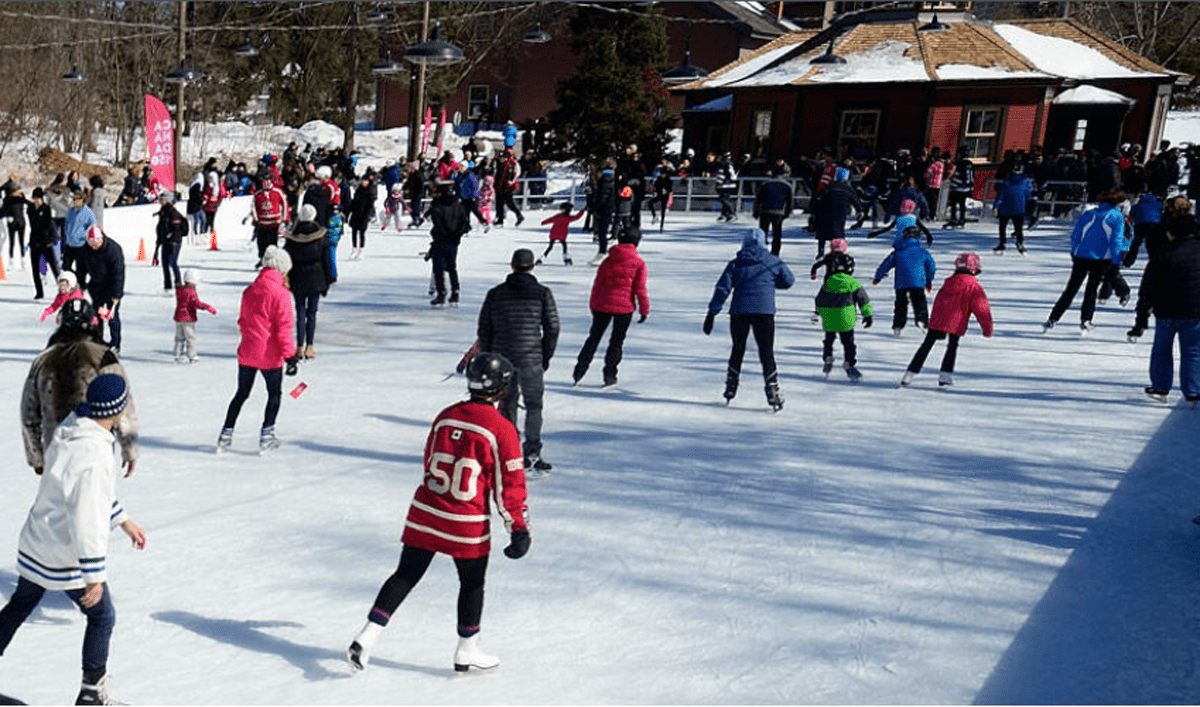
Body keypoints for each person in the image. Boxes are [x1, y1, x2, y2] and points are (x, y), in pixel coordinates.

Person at [346, 352, 530, 674]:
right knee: (472, 584)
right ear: (502, 389)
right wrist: (518, 528)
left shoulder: (446, 415)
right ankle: (466, 650)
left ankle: (367, 636)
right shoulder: (502, 429)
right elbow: (509, 486)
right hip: (465, 522)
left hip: (426, 512)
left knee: (405, 575)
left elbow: (430, 458)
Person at [0, 374, 147, 706]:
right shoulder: (94, 456)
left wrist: (123, 521)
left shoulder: (72, 428)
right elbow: (87, 516)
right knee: (102, 616)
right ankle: (92, 694)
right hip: (64, 552)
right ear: (117, 411)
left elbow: (83, 494)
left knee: (21, 604)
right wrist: (93, 576)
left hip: (38, 539)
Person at [21, 299, 139, 477]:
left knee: (57, 503)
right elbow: (123, 406)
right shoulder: (104, 357)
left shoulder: (43, 360)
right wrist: (129, 448)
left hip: (56, 450)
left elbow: (29, 415)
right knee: (95, 501)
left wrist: (36, 456)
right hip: (96, 448)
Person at [477, 248, 559, 474]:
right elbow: (552, 328)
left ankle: (508, 454)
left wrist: (489, 356)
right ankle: (532, 452)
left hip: (502, 359)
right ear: (532, 266)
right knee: (534, 406)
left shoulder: (495, 293)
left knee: (507, 406)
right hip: (531, 358)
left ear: (512, 266)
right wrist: (545, 355)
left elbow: (484, 328)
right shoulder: (542, 293)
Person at [217, 245, 297, 454]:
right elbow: (284, 328)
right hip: (270, 355)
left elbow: (243, 321)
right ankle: (267, 435)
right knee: (274, 394)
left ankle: (226, 434)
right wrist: (290, 356)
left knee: (241, 393)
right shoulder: (281, 294)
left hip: (248, 351)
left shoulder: (250, 290)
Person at [703, 229, 794, 409]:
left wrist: (712, 313)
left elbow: (723, 288)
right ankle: (772, 387)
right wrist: (771, 283)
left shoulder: (736, 264)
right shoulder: (773, 262)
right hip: (764, 311)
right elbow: (788, 281)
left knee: (738, 348)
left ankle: (731, 384)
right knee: (766, 351)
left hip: (739, 312)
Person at [1126, 197, 1200, 404]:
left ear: (1171, 232)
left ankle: (1160, 388)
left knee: (1161, 350)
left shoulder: (1162, 253)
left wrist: (1142, 316)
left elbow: (1148, 287)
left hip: (1166, 310)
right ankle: (1193, 391)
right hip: (1195, 311)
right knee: (1193, 352)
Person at [1043, 189, 1130, 335]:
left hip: (1081, 257)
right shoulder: (1117, 217)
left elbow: (1076, 235)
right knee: (1091, 290)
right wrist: (1116, 261)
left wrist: (1075, 251)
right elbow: (1116, 242)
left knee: (1071, 289)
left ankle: (1053, 318)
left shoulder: (1089, 214)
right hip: (1100, 259)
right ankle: (1086, 320)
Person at [901, 252, 993, 388]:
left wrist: (935, 321)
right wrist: (987, 329)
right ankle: (945, 375)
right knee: (952, 346)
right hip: (956, 321)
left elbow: (939, 301)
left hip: (938, 320)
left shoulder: (948, 283)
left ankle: (909, 373)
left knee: (926, 345)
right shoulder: (974, 287)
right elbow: (982, 309)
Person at [572, 227, 650, 387]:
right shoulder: (638, 263)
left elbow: (597, 284)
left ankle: (579, 371)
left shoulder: (608, 260)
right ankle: (610, 375)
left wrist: (593, 304)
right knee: (616, 343)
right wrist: (644, 309)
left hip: (602, 305)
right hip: (624, 308)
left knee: (593, 339)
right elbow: (640, 289)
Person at [282, 204, 332, 358]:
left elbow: (285, 259)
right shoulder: (321, 235)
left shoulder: (292, 237)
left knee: (300, 312)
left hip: (297, 277)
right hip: (316, 277)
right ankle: (310, 346)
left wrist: (285, 277)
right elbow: (327, 260)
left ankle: (299, 346)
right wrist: (328, 280)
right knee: (312, 313)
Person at [815, 251, 873, 382]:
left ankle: (828, 357)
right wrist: (867, 315)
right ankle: (849, 363)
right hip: (845, 318)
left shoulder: (828, 282)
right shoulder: (852, 283)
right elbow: (863, 299)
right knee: (848, 342)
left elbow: (820, 299)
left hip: (829, 318)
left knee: (829, 339)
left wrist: (819, 311)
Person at [873, 227, 936, 336]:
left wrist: (878, 277)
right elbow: (931, 267)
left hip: (901, 283)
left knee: (900, 304)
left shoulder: (898, 251)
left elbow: (886, 264)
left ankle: (898, 325)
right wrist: (929, 280)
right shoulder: (922, 252)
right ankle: (922, 320)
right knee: (920, 302)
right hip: (917, 283)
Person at [81, 226, 124, 353]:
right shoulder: (85, 250)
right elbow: (81, 269)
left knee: (112, 317)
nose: (94, 246)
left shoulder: (113, 249)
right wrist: (80, 285)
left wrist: (116, 295)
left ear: (101, 239)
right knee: (96, 317)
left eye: (96, 242)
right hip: (96, 287)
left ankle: (115, 344)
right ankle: (98, 341)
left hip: (111, 288)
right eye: (91, 242)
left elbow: (118, 274)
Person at [426, 182, 470, 307]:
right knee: (452, 268)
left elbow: (438, 225)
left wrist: (443, 235)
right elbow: (464, 224)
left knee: (439, 269)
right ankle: (455, 292)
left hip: (441, 241)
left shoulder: (437, 207)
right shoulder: (459, 207)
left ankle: (441, 293)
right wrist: (457, 235)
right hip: (453, 242)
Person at [811, 167, 861, 258]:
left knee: (823, 232)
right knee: (837, 233)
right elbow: (856, 201)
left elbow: (820, 200)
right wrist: (859, 211)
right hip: (840, 214)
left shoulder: (830, 187)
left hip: (826, 212)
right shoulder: (848, 189)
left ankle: (821, 250)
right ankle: (838, 251)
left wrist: (815, 212)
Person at [174, 269, 218, 364]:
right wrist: (207, 307)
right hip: (188, 319)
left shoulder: (180, 290)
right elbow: (196, 303)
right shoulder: (191, 292)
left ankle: (178, 355)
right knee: (190, 338)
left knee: (179, 337)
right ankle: (192, 356)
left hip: (178, 317)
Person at [991, 164, 1033, 254]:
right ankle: (1020, 243)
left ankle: (1002, 243)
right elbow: (1028, 195)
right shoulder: (1025, 181)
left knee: (1002, 227)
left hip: (1005, 208)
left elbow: (999, 197)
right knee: (1018, 228)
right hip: (1019, 208)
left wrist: (995, 207)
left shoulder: (1005, 182)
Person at [27, 186, 59, 298]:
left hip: (45, 242)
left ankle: (62, 289)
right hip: (34, 242)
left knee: (54, 268)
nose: (36, 200)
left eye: (38, 198)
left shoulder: (46, 209)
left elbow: (46, 225)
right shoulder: (30, 209)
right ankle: (39, 292)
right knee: (35, 270)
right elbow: (32, 224)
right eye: (34, 198)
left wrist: (46, 239)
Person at [251, 175, 289, 268]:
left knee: (272, 243)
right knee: (261, 243)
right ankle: (262, 259)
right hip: (263, 223)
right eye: (264, 181)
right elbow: (253, 207)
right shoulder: (258, 194)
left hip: (274, 223)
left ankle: (273, 261)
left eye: (267, 181)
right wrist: (256, 219)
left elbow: (285, 204)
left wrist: (285, 219)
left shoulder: (277, 192)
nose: (265, 183)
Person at [155, 191, 188, 293]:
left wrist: (171, 237)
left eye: (163, 199)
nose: (161, 201)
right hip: (165, 242)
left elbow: (176, 230)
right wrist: (158, 243)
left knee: (172, 263)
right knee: (165, 264)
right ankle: (167, 286)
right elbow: (160, 228)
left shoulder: (174, 213)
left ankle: (178, 284)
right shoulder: (163, 212)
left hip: (174, 242)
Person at [754, 172, 794, 256]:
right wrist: (787, 212)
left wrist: (756, 211)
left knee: (762, 233)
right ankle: (775, 253)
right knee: (777, 233)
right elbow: (789, 201)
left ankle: (761, 251)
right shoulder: (787, 185)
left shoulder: (765, 184)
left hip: (765, 211)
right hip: (778, 212)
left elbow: (758, 199)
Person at [63, 189, 95, 282]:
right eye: (74, 199)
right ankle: (72, 281)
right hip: (69, 244)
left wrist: (84, 235)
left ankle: (81, 286)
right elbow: (67, 224)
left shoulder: (88, 212)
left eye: (78, 199)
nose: (76, 201)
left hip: (81, 244)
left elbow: (92, 227)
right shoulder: (71, 211)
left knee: (81, 269)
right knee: (66, 267)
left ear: (82, 200)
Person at [539, 202, 586, 266]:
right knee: (564, 246)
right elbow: (576, 217)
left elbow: (551, 219)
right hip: (562, 235)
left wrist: (543, 222)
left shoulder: (558, 216)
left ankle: (542, 258)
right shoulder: (568, 218)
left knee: (550, 247)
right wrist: (582, 211)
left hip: (554, 234)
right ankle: (566, 257)